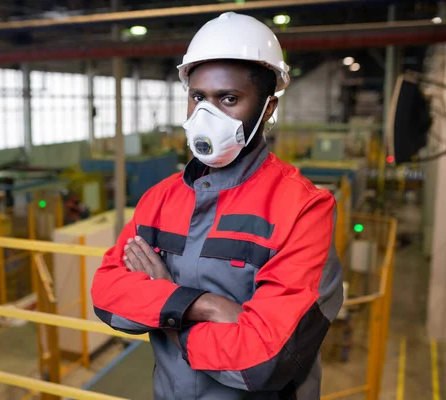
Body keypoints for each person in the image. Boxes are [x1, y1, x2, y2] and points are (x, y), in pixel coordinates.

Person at [91, 12, 343, 400]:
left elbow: (264, 362)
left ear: (268, 107)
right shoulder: (159, 199)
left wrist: (163, 304)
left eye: (229, 99)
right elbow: (109, 296)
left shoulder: (304, 208)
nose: (207, 115)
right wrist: (204, 305)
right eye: (198, 97)